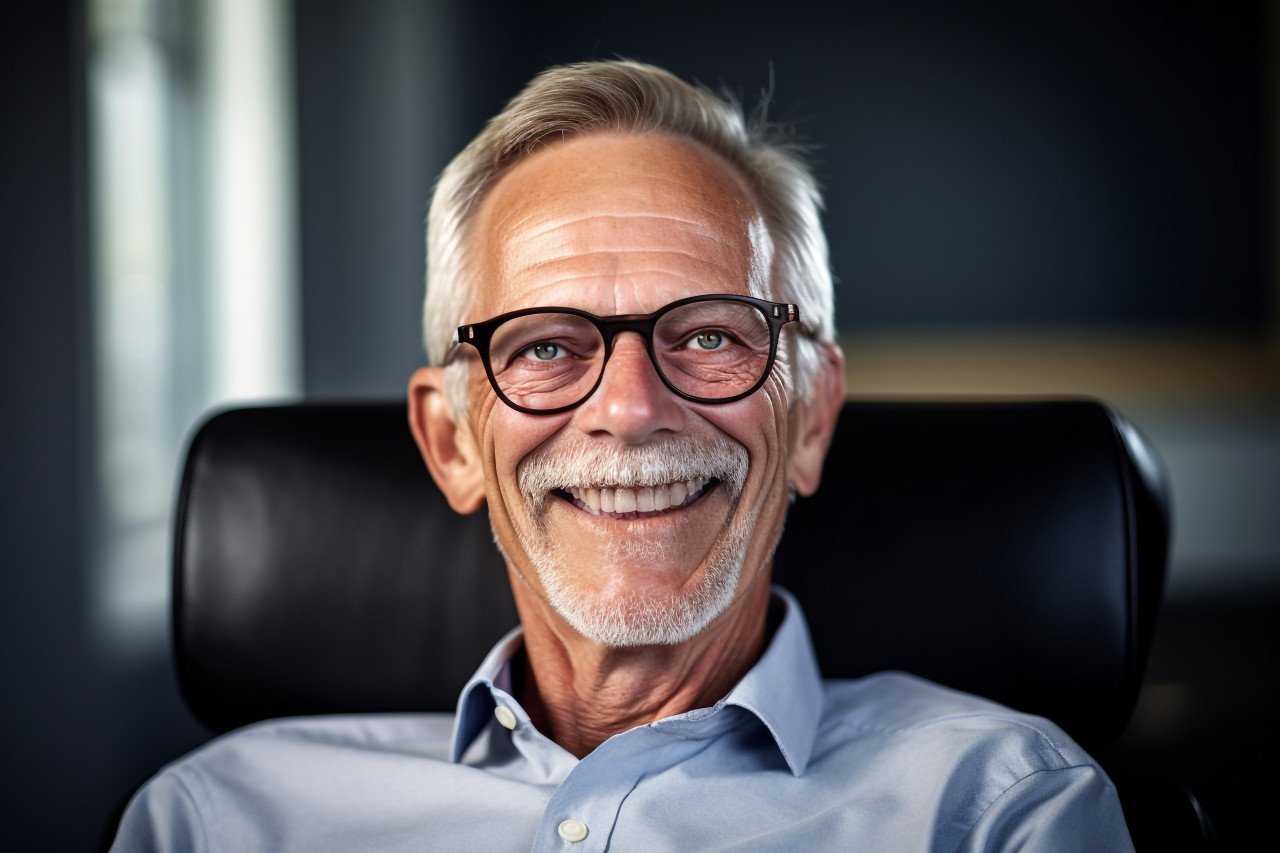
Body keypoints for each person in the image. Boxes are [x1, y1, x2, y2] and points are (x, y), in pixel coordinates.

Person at [112, 60, 1134, 851]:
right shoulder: (216, 820)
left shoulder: (998, 809)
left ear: (810, 418)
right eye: (546, 346)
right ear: (451, 441)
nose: (631, 409)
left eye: (707, 335)